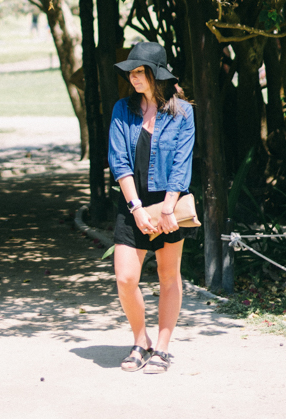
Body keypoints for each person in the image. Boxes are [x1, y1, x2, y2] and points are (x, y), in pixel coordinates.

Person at [107, 40, 196, 374]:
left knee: (168, 275)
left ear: (157, 75)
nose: (133, 77)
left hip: (169, 205)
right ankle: (140, 340)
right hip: (133, 204)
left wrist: (168, 208)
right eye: (131, 71)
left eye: (140, 71)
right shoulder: (122, 109)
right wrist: (136, 208)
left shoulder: (183, 113)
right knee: (126, 278)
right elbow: (119, 163)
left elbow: (181, 166)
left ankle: (162, 348)